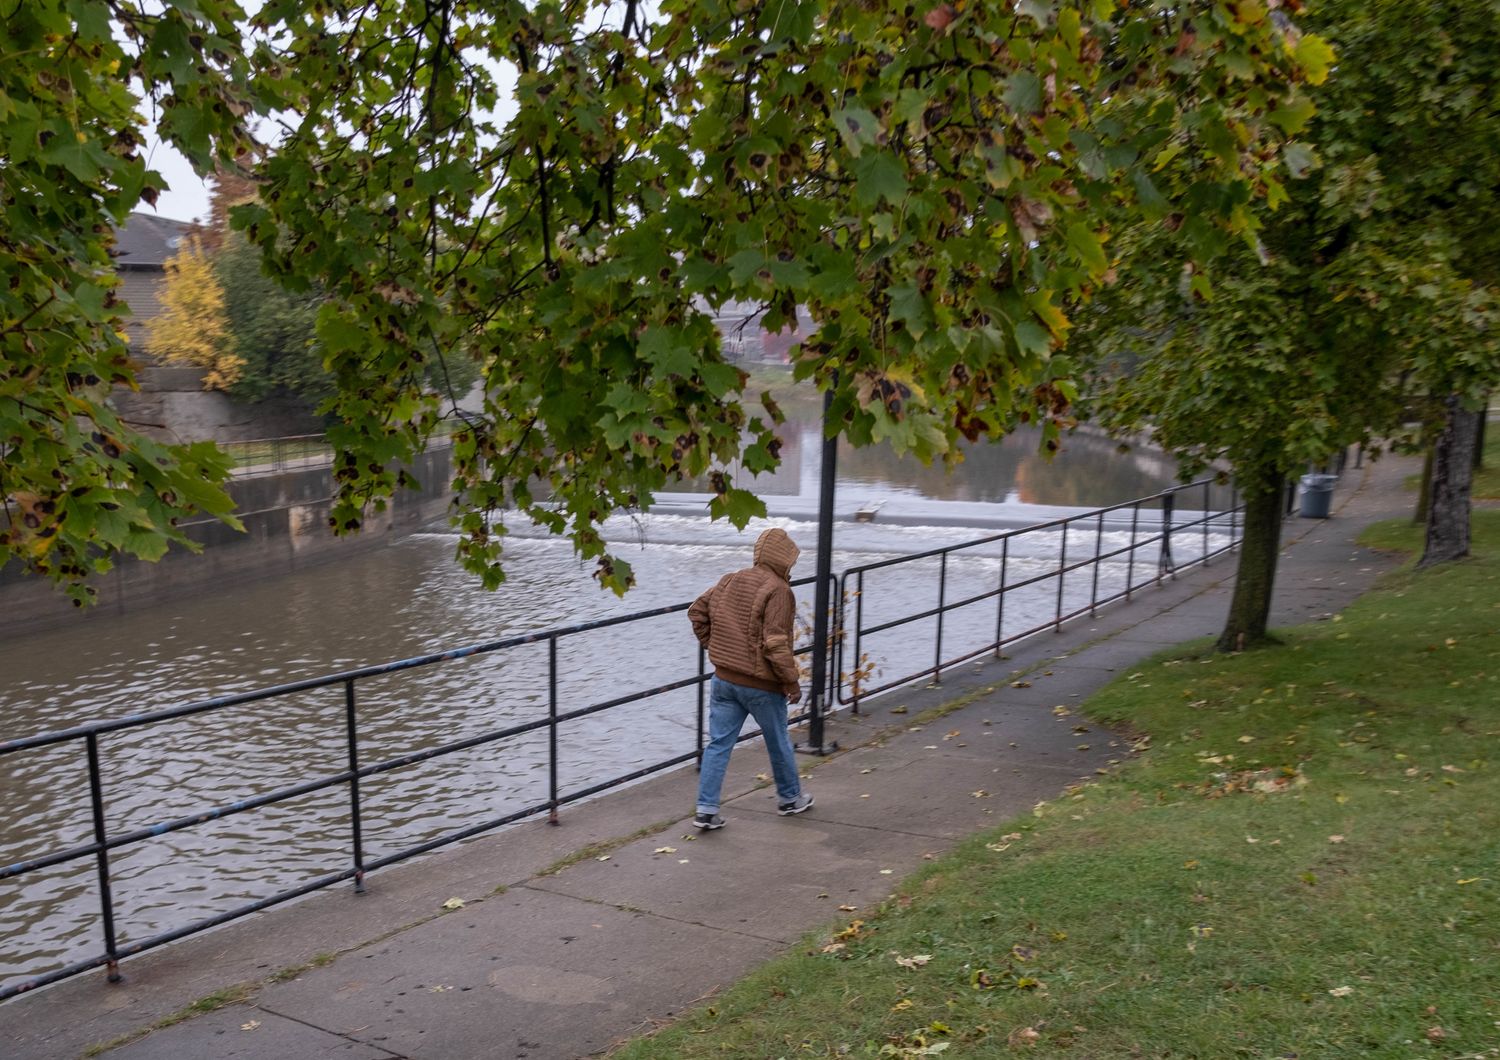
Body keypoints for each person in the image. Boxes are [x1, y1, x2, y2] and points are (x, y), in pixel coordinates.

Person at [687, 526, 814, 829]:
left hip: (724, 680)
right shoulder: (779, 591)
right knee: (778, 740)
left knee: (718, 744)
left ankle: (706, 810)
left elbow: (696, 613)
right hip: (761, 686)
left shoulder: (730, 579)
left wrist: (716, 646)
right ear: (784, 560)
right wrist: (791, 681)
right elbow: (775, 642)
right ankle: (790, 798)